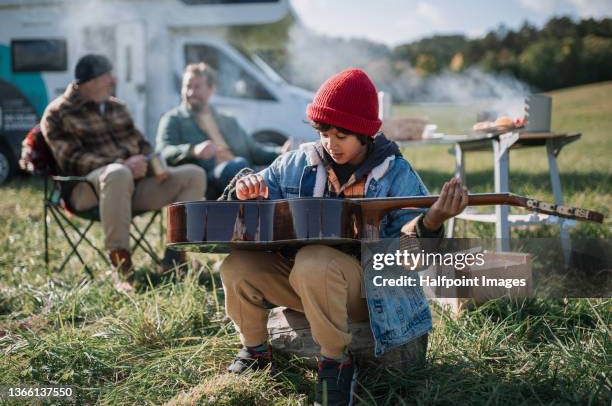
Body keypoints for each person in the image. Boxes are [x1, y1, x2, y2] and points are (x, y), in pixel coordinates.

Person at [219, 68, 468, 405]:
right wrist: (244, 191)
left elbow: (412, 259)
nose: (330, 144)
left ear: (365, 134)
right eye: (324, 132)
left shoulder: (396, 174)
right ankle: (255, 352)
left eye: (341, 136)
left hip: (368, 294)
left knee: (314, 260)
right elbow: (244, 196)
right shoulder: (296, 163)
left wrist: (434, 220)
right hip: (304, 283)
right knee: (238, 265)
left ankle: (336, 364)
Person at [41, 54, 205, 288]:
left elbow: (144, 145)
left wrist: (151, 164)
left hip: (132, 186)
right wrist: (122, 163)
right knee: (118, 173)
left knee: (193, 174)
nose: (113, 80)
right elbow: (73, 159)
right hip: (85, 190)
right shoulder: (58, 112)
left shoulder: (118, 108)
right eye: (108, 75)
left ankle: (174, 257)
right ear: (92, 80)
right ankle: (122, 267)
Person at [155, 62, 290, 197]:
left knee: (279, 172)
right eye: (187, 86)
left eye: (197, 87)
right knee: (240, 168)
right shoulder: (174, 119)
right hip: (209, 176)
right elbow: (163, 153)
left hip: (241, 171)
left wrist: (282, 152)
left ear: (211, 89)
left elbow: (255, 150)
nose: (191, 92)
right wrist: (193, 150)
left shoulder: (227, 120)